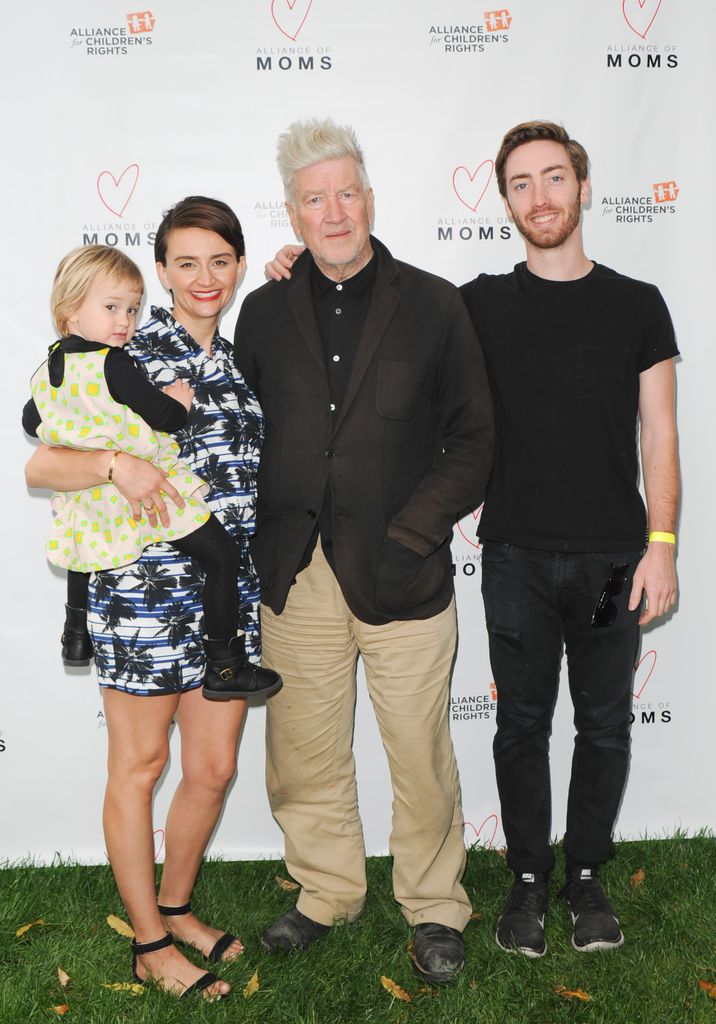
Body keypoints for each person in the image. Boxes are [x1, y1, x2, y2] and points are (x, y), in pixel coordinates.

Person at [234, 118, 494, 986]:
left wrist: (414, 531)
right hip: (296, 570)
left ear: (371, 198)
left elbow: (474, 437)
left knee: (420, 751)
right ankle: (326, 892)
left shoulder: (434, 301)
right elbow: (248, 434)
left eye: (347, 192)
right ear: (294, 213)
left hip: (406, 570)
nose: (334, 210)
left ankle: (433, 906)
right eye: (316, 198)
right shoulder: (262, 311)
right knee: (303, 750)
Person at [25, 197, 268, 1000]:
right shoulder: (120, 339)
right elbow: (38, 465)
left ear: (237, 267)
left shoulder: (235, 357)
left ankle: (178, 905)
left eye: (221, 260)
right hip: (142, 592)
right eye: (186, 262)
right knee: (141, 765)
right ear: (161, 271)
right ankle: (150, 944)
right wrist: (110, 466)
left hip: (227, 591)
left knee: (213, 766)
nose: (205, 277)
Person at [459, 121, 679, 958]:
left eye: (555, 178)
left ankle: (585, 875)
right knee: (520, 725)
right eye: (522, 182)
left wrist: (662, 542)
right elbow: (386, 304)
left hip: (614, 556)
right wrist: (297, 266)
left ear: (583, 188)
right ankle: (525, 881)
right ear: (506, 199)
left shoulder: (637, 303)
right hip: (512, 551)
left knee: (605, 727)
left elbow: (659, 435)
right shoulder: (475, 302)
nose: (540, 197)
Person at [23, 244, 281, 701]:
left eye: (131, 310)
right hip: (151, 508)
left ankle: (75, 633)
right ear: (70, 313)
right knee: (219, 555)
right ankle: (226, 663)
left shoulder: (49, 369)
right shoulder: (119, 359)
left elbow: (32, 420)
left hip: (94, 505)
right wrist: (176, 403)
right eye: (112, 308)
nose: (124, 321)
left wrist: (80, 428)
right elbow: (163, 416)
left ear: (240, 267)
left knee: (85, 547)